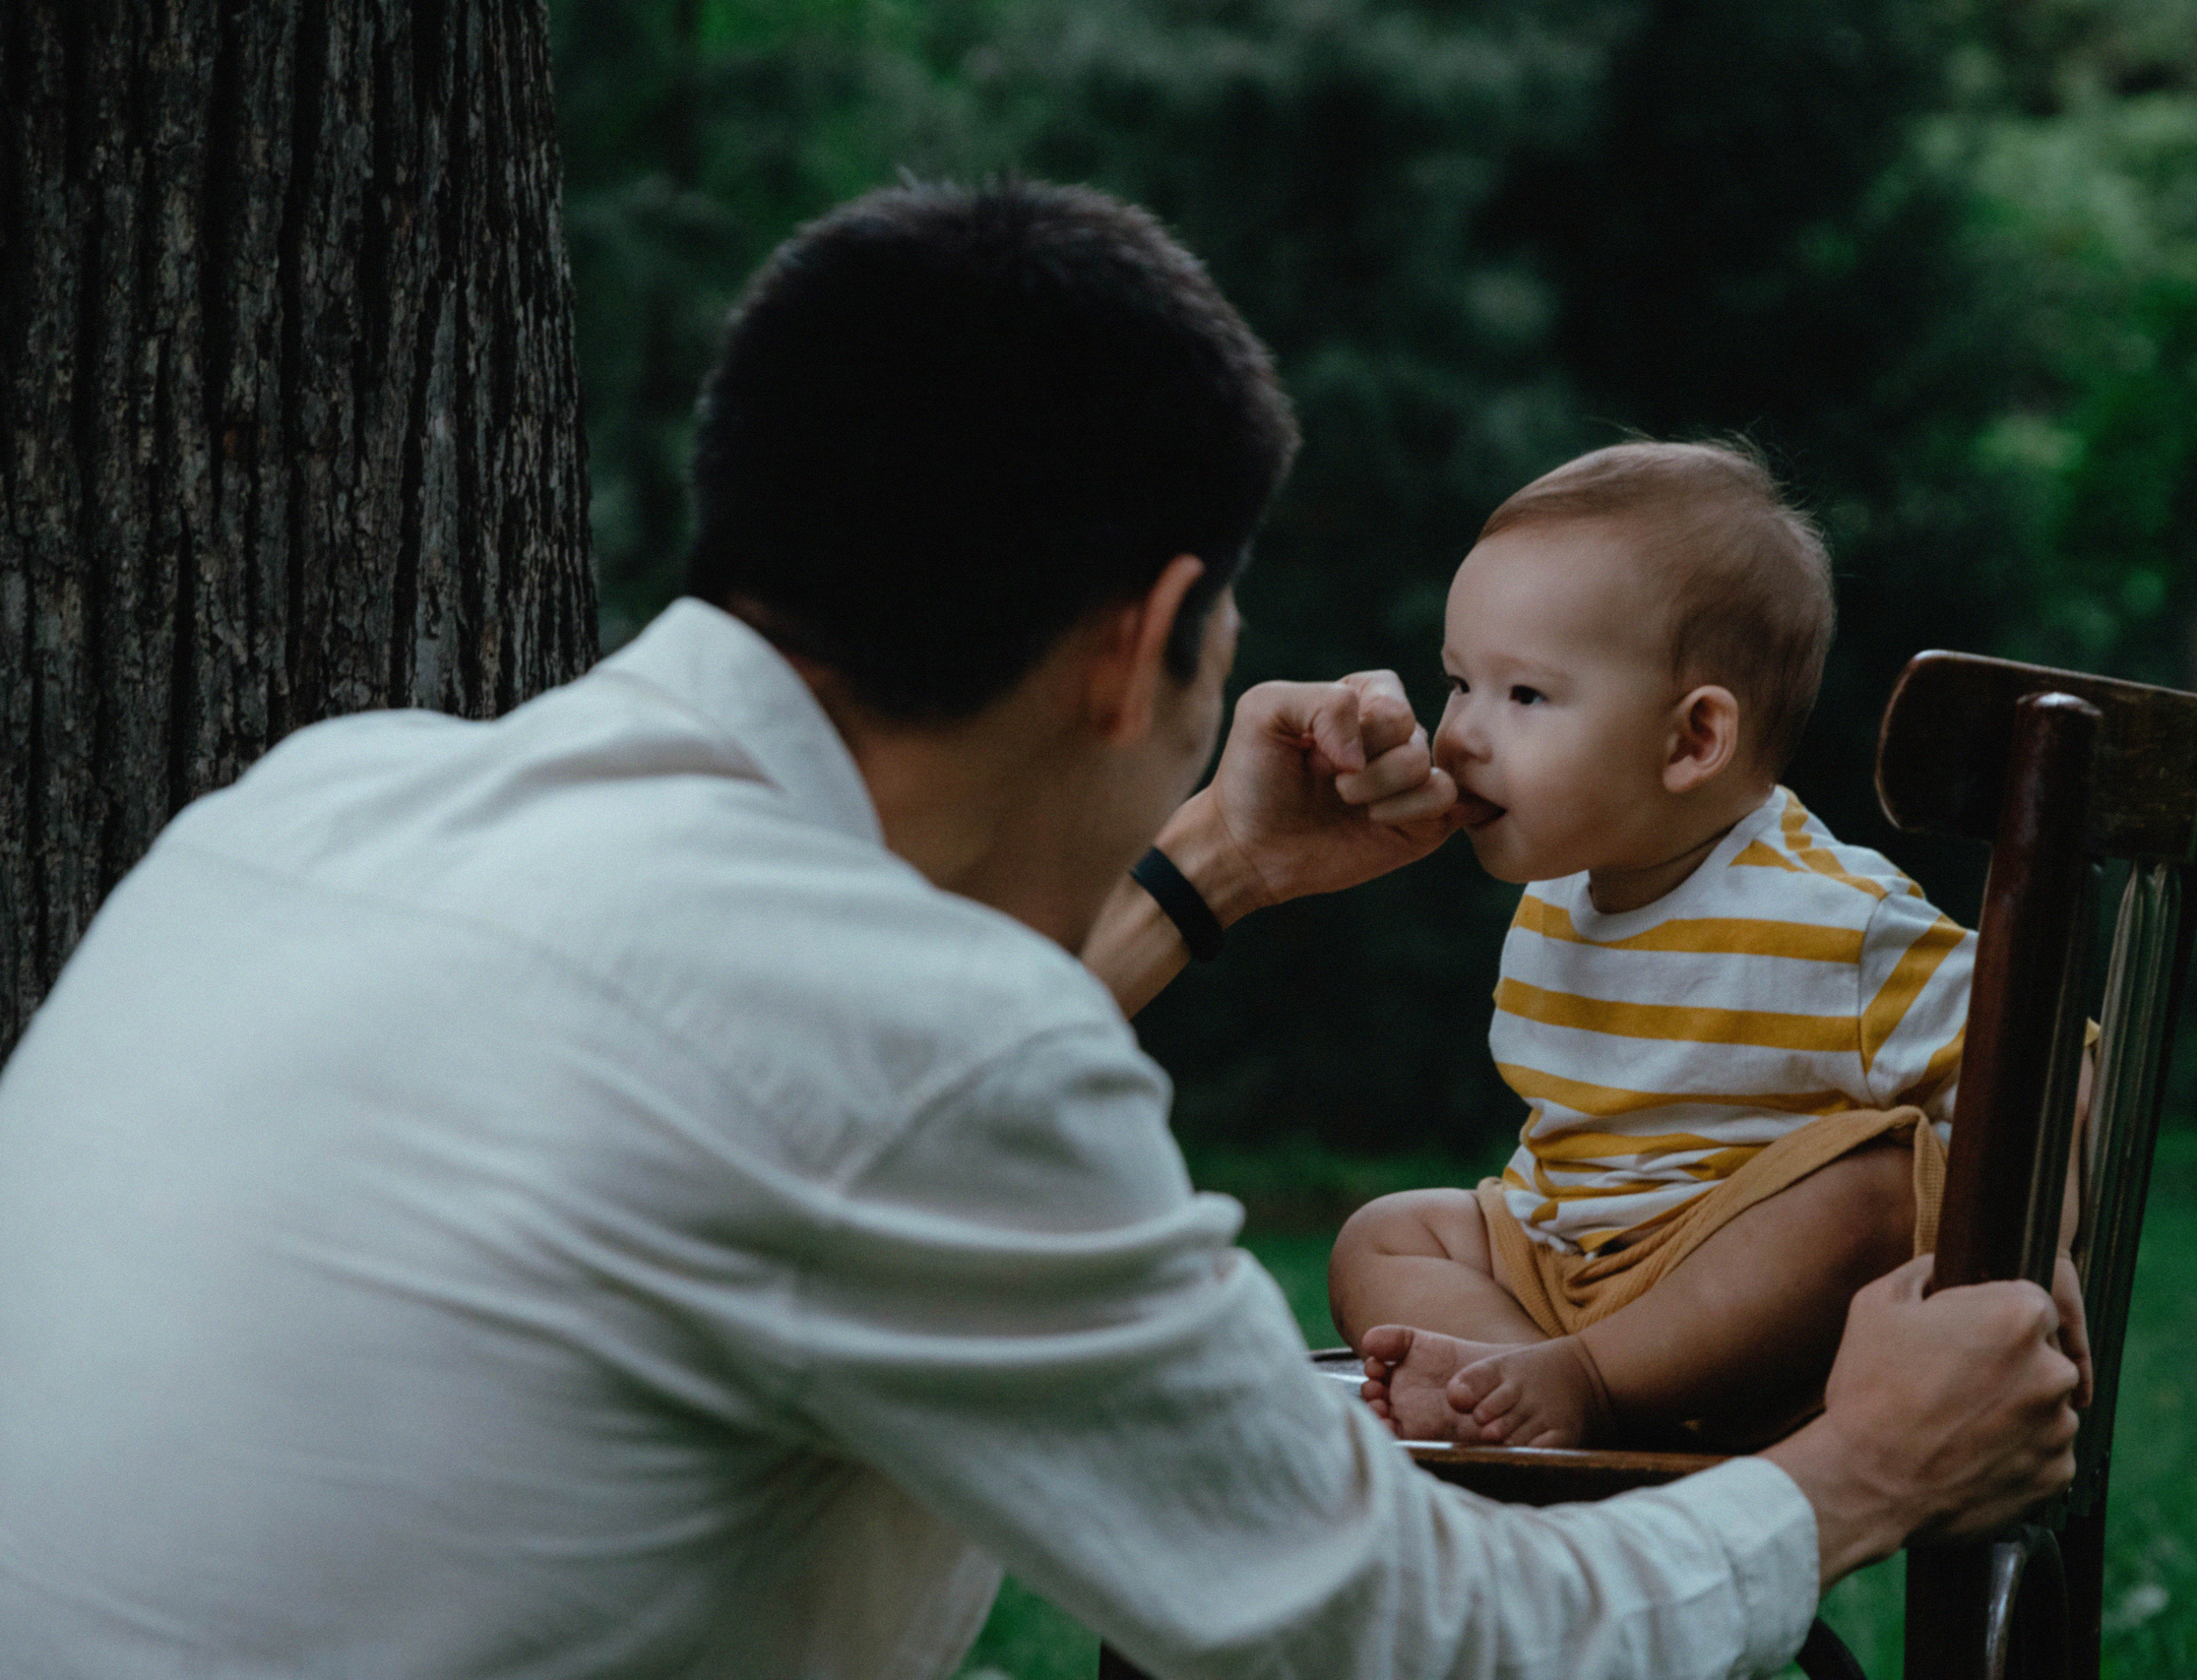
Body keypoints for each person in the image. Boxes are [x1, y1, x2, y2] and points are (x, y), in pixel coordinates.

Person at [0, 181, 2079, 1680]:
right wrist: (1857, 1465)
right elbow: (1406, 1638)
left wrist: (1218, 874)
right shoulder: (896, 1052)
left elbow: (822, 1100)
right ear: (1153, 642)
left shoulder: (306, 805)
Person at [1332, 443, 2090, 1459]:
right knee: (1384, 1235)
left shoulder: (1828, 916)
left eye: (1524, 697)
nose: (1459, 735)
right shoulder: (1564, 886)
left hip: (1740, 1314)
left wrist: (2037, 1255)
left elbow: (2039, 1064)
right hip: (1564, 1262)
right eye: (1459, 683)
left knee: (1872, 1188)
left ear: (1693, 740)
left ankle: (1587, 1388)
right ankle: (1523, 1395)